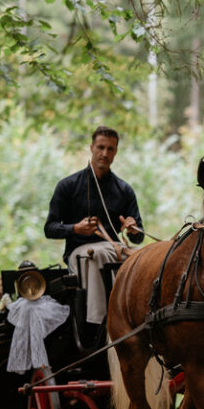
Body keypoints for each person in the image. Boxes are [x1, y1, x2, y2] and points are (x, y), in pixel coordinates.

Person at [44, 126, 144, 326]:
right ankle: (101, 323)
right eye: (100, 147)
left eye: (110, 149)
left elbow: (138, 237)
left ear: (115, 152)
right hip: (80, 252)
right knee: (97, 255)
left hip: (115, 250)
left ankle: (144, 319)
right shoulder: (67, 186)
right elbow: (49, 228)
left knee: (148, 258)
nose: (105, 153)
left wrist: (133, 229)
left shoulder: (124, 189)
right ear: (91, 148)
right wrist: (75, 229)